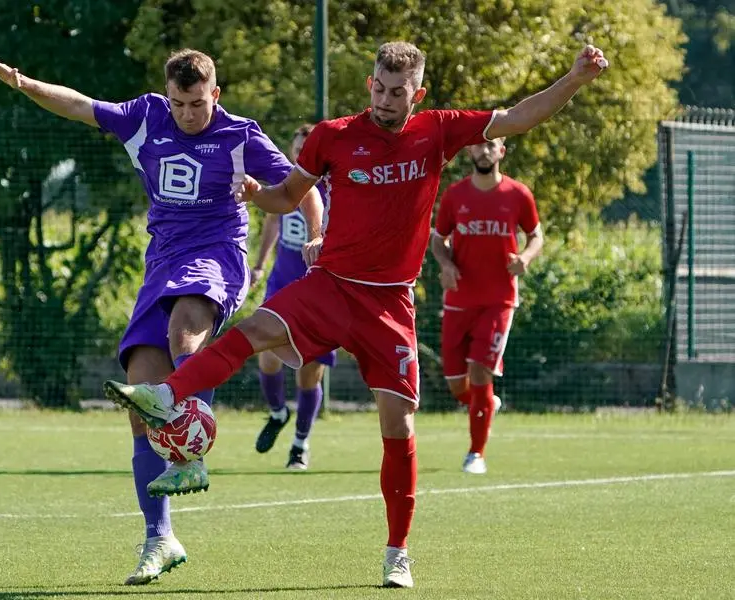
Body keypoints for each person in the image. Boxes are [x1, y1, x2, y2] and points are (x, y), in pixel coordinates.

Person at [103, 41, 608, 588]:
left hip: (389, 303)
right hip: (330, 287)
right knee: (254, 330)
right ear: (369, 84)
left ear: (417, 94)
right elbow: (288, 196)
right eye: (379, 88)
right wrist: (257, 193)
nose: (386, 101)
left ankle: (397, 552)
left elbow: (519, 116)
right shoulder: (333, 136)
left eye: (398, 93)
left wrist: (574, 80)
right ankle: (171, 396)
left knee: (398, 424)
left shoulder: (438, 129)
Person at [0, 49, 322, 586]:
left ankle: (195, 445)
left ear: (216, 94)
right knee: (141, 401)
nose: (188, 112)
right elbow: (79, 105)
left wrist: (315, 232)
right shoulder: (145, 116)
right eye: (179, 102)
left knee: (187, 324)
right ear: (167, 95)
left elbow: (300, 188)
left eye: (198, 102)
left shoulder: (240, 135)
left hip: (217, 258)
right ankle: (159, 539)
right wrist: (22, 82)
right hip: (161, 262)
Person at [431, 138, 543, 475]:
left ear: (502, 151)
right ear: (469, 151)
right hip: (459, 300)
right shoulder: (455, 195)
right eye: (478, 146)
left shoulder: (517, 194)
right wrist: (446, 264)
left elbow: (536, 235)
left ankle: (475, 453)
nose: (484, 151)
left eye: (490, 145)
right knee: (456, 383)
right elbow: (439, 239)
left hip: (499, 300)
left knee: (480, 370)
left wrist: (525, 257)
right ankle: (485, 405)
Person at [251, 123, 336, 470]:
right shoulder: (285, 184)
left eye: (309, 147)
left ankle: (300, 446)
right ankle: (277, 412)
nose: (302, 153)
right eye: (298, 147)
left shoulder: (334, 187)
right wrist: (258, 265)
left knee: (308, 372)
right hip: (282, 282)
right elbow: (272, 222)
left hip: (320, 290)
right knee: (267, 356)